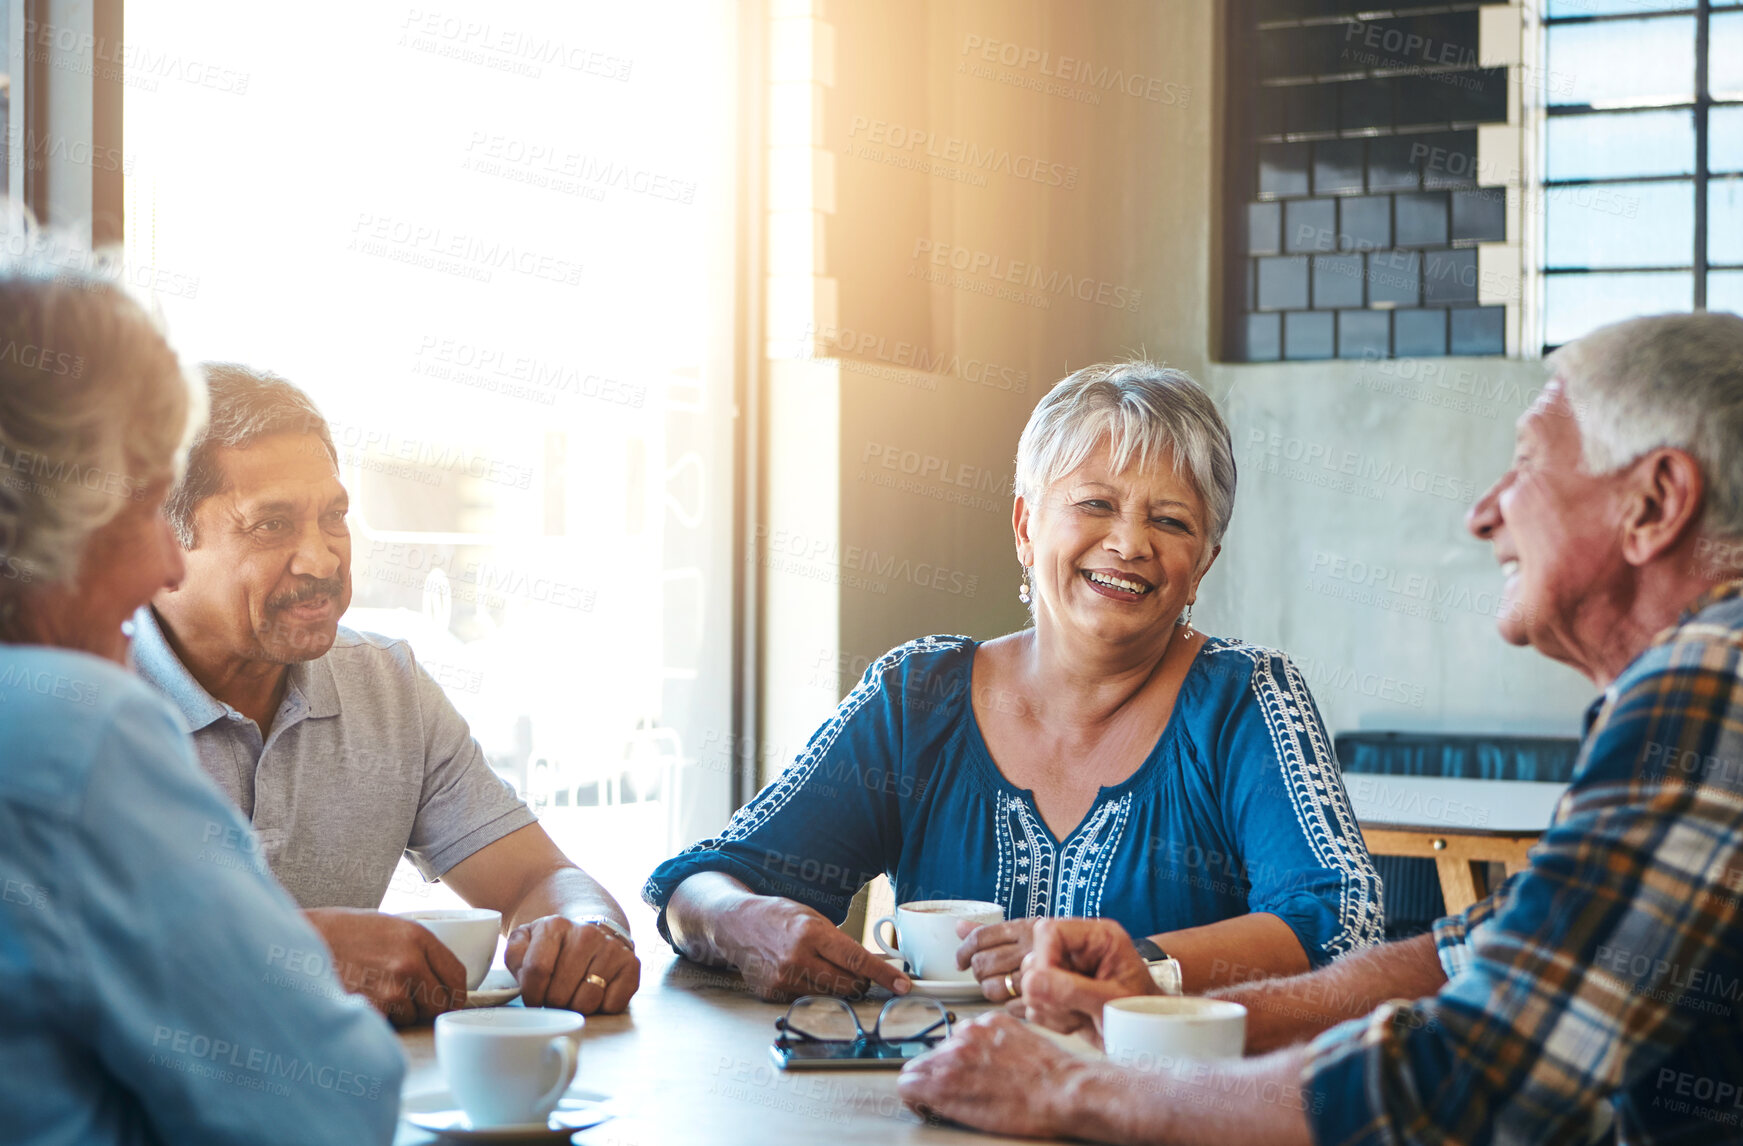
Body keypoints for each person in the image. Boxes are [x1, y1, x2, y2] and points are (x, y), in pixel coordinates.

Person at [898, 312, 1743, 1146]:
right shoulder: (1698, 680)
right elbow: (1467, 956)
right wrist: (1158, 1012)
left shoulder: (1715, 677)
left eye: (1523, 463)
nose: (1482, 515)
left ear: (1655, 501)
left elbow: (1472, 1078)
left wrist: (1089, 1090)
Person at [647, 361, 1382, 1002]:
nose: (1129, 543)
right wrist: (743, 923)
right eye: (1094, 504)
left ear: (1204, 563)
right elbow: (701, 881)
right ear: (1026, 527)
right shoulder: (916, 695)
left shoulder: (1246, 698)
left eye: (1171, 521)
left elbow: (1340, 919)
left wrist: (1142, 966)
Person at [0, 247, 405, 1144]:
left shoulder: (386, 680)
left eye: (334, 517)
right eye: (144, 508)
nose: (164, 564)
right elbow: (325, 1103)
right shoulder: (69, 726)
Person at [132, 364, 639, 1022]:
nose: (322, 559)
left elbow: (537, 880)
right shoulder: (71, 699)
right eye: (271, 526)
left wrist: (586, 928)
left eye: (334, 517)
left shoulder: (388, 687)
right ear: (160, 540)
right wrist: (293, 953)